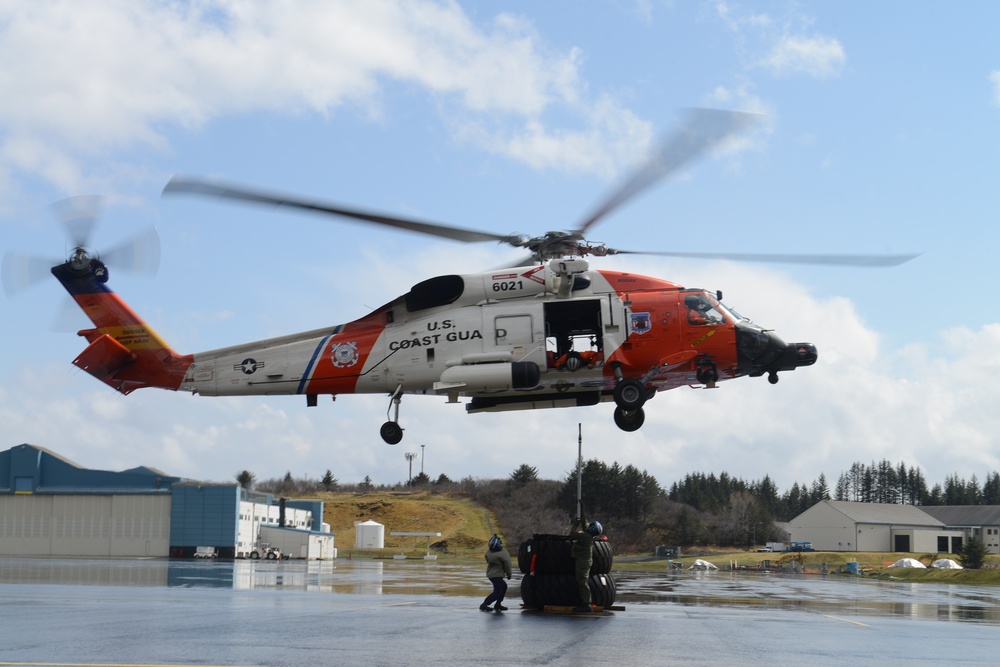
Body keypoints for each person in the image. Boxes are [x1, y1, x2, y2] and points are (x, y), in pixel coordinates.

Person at [568, 500, 603, 612]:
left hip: (583, 561)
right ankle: (584, 602)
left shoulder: (586, 536)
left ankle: (586, 604)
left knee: (582, 581)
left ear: (592, 529)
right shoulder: (589, 534)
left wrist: (575, 524)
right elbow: (585, 522)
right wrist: (582, 508)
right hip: (583, 560)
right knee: (580, 580)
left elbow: (572, 534)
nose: (588, 526)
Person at [480, 534, 512, 612]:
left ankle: (498, 604)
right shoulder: (503, 554)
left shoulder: (489, 553)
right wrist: (509, 575)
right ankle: (484, 604)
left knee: (503, 586)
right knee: (498, 591)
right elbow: (507, 565)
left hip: (491, 574)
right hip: (497, 575)